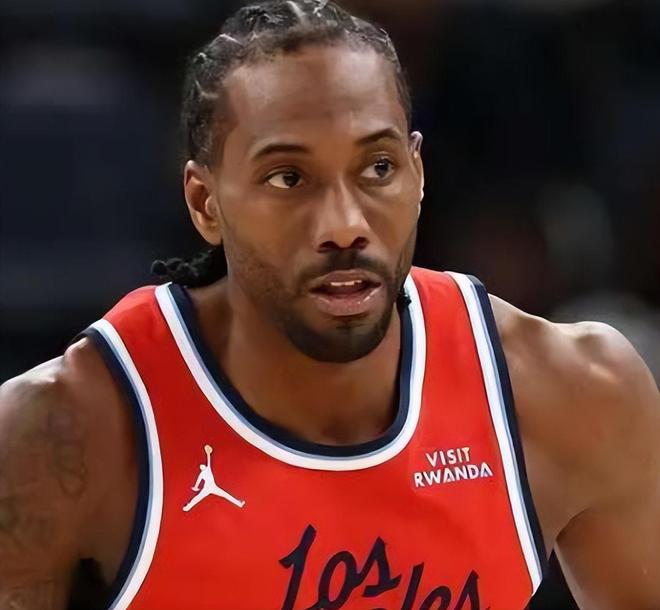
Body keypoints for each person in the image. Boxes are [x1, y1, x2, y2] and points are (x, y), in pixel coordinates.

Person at [0, 1, 659, 609]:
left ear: (418, 173)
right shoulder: (63, 435)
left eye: (378, 169)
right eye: (288, 177)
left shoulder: (572, 393)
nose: (344, 225)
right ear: (205, 203)